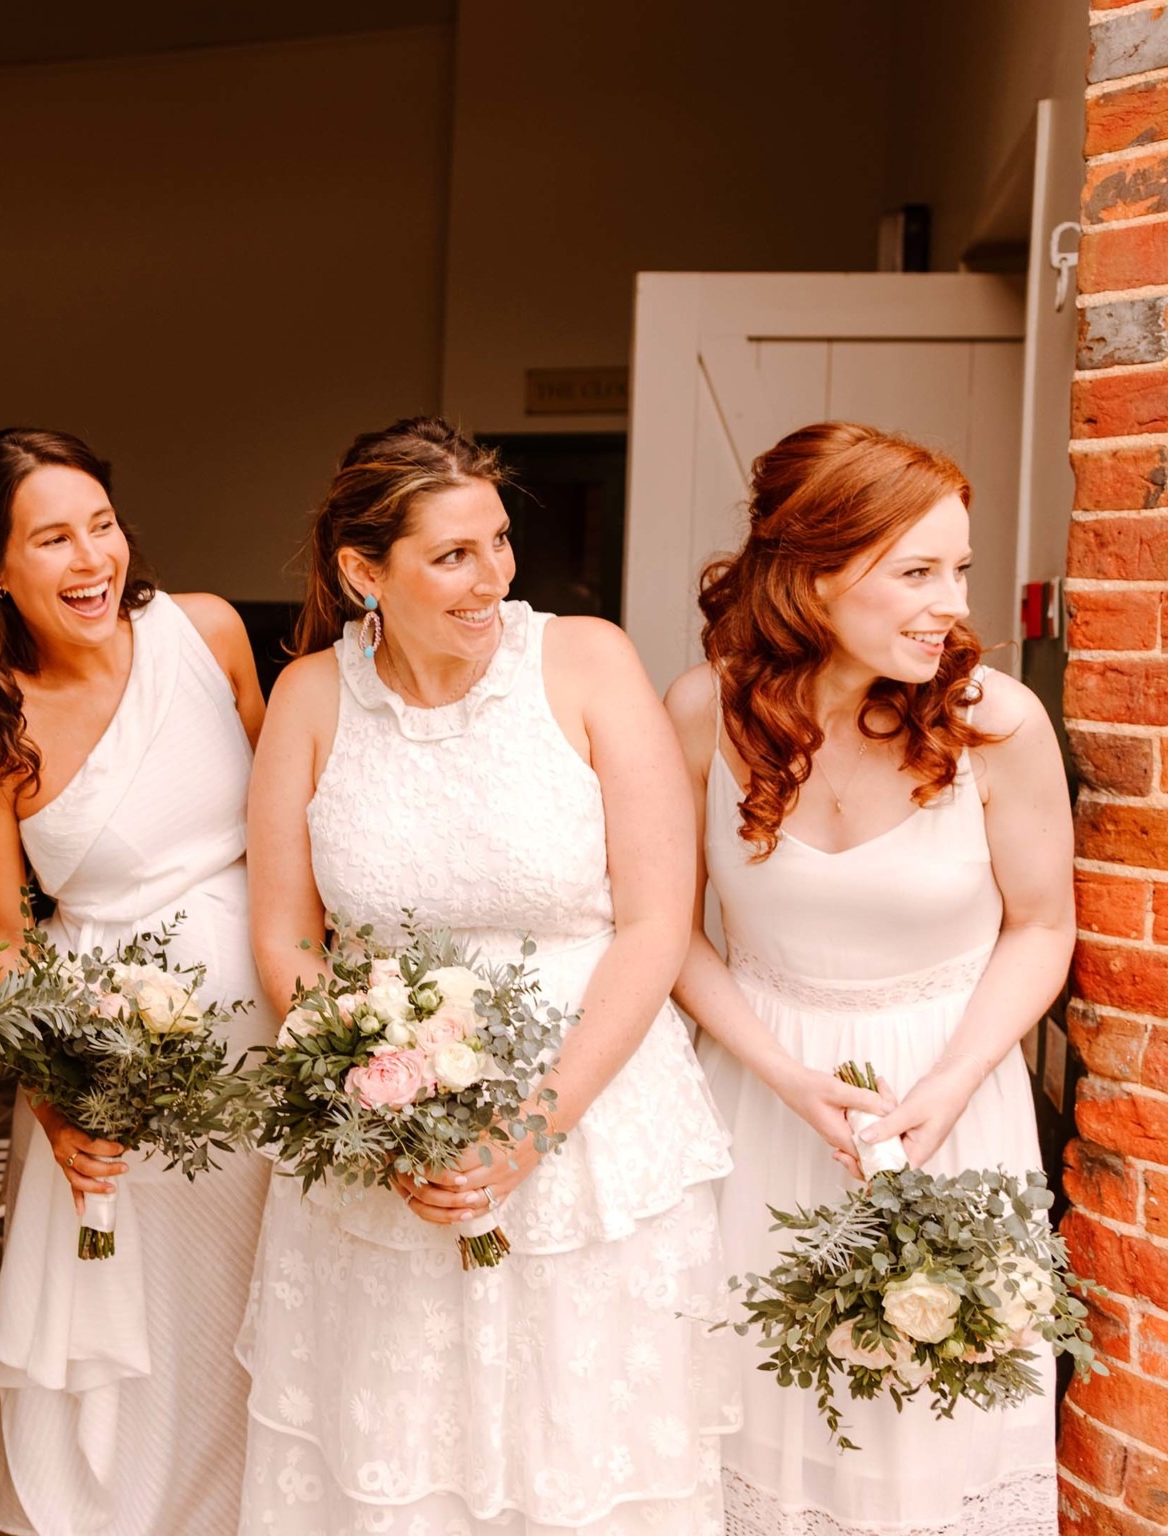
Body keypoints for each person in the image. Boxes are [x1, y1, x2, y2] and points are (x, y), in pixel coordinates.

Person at [235, 418, 736, 1534]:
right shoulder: (311, 701)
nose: (492, 578)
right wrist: (386, 1108)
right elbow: (286, 939)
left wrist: (529, 1128)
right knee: (396, 1443)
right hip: (384, 1145)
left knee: (583, 1452)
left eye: (499, 542)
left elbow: (657, 922)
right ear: (366, 573)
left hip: (590, 1126)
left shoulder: (590, 661)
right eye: (452, 555)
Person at [665, 422, 1072, 1535]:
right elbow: (668, 932)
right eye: (917, 572)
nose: (950, 602)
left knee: (933, 1418)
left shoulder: (997, 722)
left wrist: (948, 1089)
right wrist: (784, 1074)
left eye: (961, 571)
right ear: (813, 575)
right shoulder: (705, 711)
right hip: (761, 1103)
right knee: (756, 1410)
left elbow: (1041, 928)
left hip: (948, 1100)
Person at [0, 427, 270, 1536]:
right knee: (132, 1350)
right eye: (53, 538)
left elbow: (286, 838)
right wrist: (56, 1097)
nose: (92, 560)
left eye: (102, 525)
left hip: (260, 1043)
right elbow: (5, 943)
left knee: (251, 1315)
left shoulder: (208, 632)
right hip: (109, 1066)